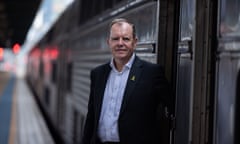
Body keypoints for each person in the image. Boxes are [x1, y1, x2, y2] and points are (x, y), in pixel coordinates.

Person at [82, 18, 172, 144]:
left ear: (135, 42)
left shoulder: (152, 73)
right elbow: (91, 117)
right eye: (115, 39)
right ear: (108, 42)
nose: (120, 43)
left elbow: (172, 111)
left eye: (126, 39)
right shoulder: (98, 74)